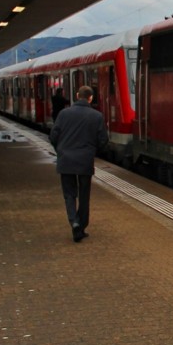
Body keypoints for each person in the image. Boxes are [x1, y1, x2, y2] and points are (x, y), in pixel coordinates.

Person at [49, 85, 108, 243]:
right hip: (85, 161)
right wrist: (93, 151)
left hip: (66, 160)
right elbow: (103, 141)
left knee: (69, 194)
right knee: (84, 195)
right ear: (91, 98)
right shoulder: (97, 116)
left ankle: (74, 222)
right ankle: (81, 226)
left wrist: (60, 150)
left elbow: (53, 136)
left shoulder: (63, 113)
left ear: (76, 95)